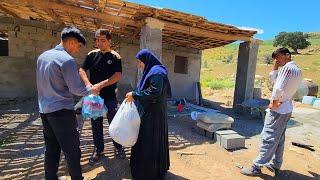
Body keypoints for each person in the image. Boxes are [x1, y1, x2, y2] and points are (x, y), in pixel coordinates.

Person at [36, 27, 96, 180]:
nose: (78, 49)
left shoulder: (43, 56)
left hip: (45, 111)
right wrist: (91, 90)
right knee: (72, 150)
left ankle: (50, 177)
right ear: (71, 42)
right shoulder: (67, 60)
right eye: (78, 46)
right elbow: (76, 89)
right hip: (61, 112)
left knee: (51, 148)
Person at [241, 47, 302, 176]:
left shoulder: (287, 68)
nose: (277, 61)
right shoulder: (297, 70)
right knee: (279, 138)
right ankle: (276, 164)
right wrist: (276, 65)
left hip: (278, 109)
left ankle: (256, 167)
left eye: (278, 57)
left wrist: (273, 104)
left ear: (287, 55)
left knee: (268, 137)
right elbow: (275, 80)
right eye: (275, 59)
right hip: (287, 108)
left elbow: (278, 88)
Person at [79, 29, 125, 164]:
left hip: (110, 97)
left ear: (109, 41)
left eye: (102, 40)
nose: (99, 43)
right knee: (96, 124)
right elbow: (82, 69)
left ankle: (118, 147)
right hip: (95, 98)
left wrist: (100, 85)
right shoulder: (91, 55)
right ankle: (98, 150)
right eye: (97, 40)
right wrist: (89, 84)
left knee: (114, 124)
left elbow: (117, 75)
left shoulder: (115, 56)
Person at [126, 49, 171, 180]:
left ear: (146, 60)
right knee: (146, 139)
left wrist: (135, 94)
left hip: (153, 114)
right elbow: (146, 88)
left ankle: (149, 172)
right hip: (150, 110)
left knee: (150, 139)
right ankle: (144, 167)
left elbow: (154, 92)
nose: (139, 64)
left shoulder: (157, 72)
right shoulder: (152, 71)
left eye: (140, 61)